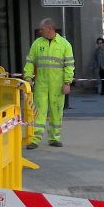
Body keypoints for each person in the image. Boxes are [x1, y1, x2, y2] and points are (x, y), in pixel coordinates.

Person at [24, 19, 74, 148]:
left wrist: (67, 82)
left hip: (58, 85)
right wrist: (28, 77)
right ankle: (36, 139)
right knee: (39, 111)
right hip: (42, 83)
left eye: (42, 29)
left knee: (56, 112)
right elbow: (30, 61)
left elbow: (69, 65)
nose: (40, 31)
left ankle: (54, 138)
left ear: (50, 28)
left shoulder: (64, 45)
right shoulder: (37, 44)